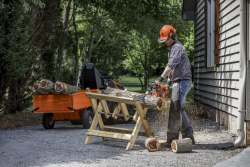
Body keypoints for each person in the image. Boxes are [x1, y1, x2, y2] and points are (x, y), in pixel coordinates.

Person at [156, 25, 195, 145]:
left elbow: (170, 66)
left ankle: (172, 139)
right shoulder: (172, 48)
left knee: (176, 108)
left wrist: (160, 79)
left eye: (166, 39)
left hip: (183, 81)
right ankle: (188, 135)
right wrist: (168, 82)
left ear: (172, 35)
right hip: (178, 81)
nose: (165, 42)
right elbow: (172, 68)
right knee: (179, 107)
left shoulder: (177, 47)